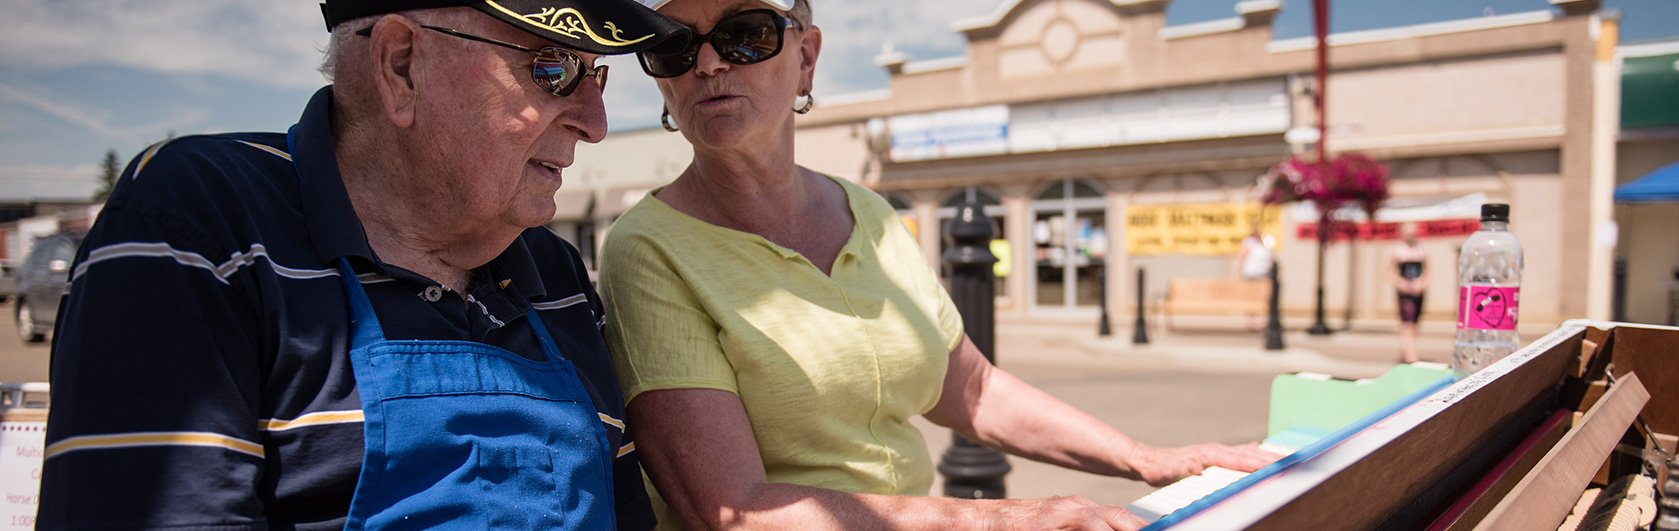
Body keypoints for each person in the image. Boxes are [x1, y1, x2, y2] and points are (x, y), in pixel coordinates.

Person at [599, 0, 1279, 529]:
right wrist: (997, 517)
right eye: (673, 45)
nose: (710, 63)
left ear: (806, 59)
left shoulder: (867, 210)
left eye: (745, 33)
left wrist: (1148, 458)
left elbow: (974, 390)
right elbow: (733, 509)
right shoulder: (649, 248)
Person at [38, 1, 686, 528]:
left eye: (596, 75)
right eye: (553, 68)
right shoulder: (202, 222)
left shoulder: (559, 275)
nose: (595, 122)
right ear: (401, 65)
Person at [1388, 223, 1430, 363]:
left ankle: (1404, 353)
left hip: (1417, 291)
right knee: (1408, 324)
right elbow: (1390, 273)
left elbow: (1427, 272)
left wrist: (1422, 283)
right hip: (1405, 292)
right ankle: (1412, 358)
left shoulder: (1421, 250)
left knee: (1414, 325)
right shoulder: (1397, 250)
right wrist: (1401, 283)